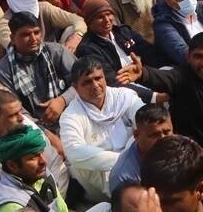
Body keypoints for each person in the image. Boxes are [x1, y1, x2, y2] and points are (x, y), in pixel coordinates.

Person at [0, 89, 69, 205]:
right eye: (13, 115)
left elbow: (56, 165)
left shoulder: (23, 123)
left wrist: (53, 205)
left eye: (19, 112)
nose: (21, 118)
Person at [58, 57, 146, 201]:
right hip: (103, 180)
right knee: (78, 162)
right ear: (75, 87)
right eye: (87, 82)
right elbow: (74, 152)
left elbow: (147, 120)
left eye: (98, 78)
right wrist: (125, 160)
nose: (95, 85)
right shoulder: (70, 116)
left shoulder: (123, 96)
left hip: (139, 162)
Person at [0, 11, 77, 129]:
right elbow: (13, 111)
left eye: (36, 32)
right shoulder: (2, 70)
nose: (33, 39)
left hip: (72, 117)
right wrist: (46, 134)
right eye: (26, 34)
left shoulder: (57, 52)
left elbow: (82, 83)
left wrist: (62, 100)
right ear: (13, 38)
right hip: (32, 128)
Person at [0, 124, 77, 212]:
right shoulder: (11, 205)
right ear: (12, 165)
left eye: (41, 153)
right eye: (33, 157)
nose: (43, 161)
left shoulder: (40, 174)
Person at [74, 0, 163, 85]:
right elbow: (112, 80)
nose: (107, 20)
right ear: (89, 22)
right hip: (126, 92)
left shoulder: (123, 32)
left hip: (145, 77)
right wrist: (154, 96)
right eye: (100, 17)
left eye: (108, 14)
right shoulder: (88, 49)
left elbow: (149, 52)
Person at [108, 102, 174, 191]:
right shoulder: (124, 177)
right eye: (154, 135)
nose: (163, 139)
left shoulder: (183, 149)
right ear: (136, 135)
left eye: (167, 132)